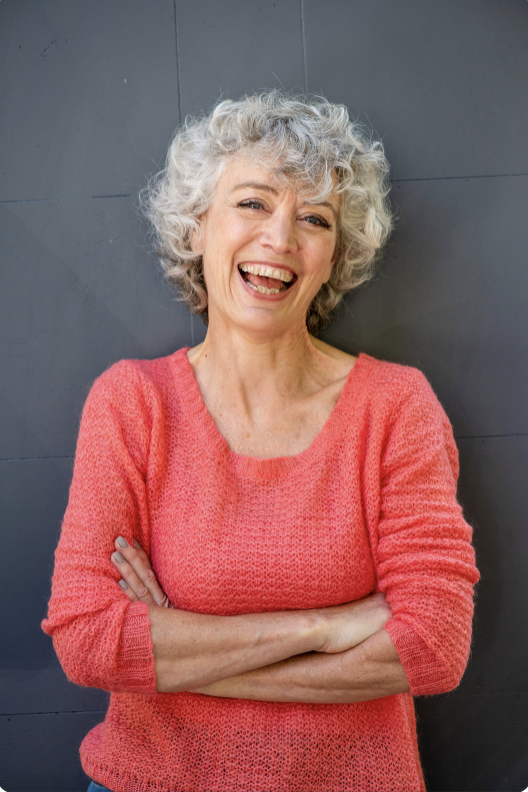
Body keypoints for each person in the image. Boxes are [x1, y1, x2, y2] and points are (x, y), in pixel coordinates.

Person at [42, 91, 479, 792]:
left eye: (315, 218)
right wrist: (321, 627)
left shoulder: (396, 407)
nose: (280, 238)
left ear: (335, 256)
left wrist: (176, 649)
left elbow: (434, 645)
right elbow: (87, 638)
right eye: (252, 203)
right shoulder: (132, 403)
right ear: (197, 226)